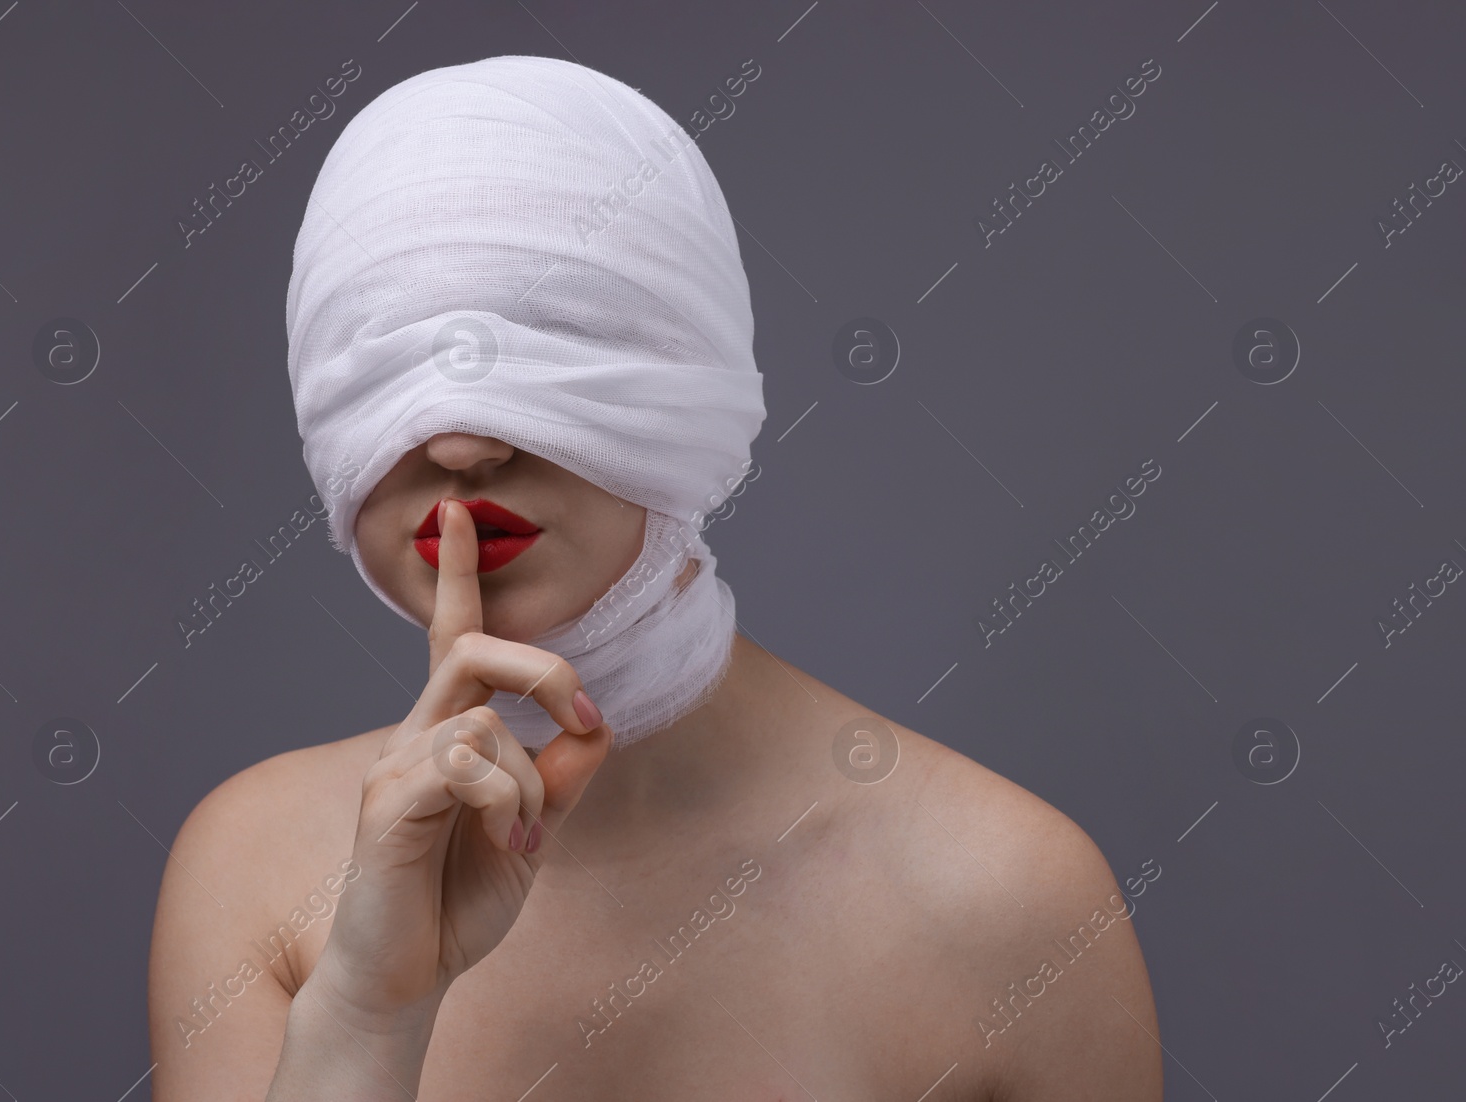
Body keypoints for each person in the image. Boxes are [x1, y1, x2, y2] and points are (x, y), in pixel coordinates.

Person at [147, 55, 1160, 1102]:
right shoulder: (253, 870)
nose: (456, 442)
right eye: (377, 350)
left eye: (553, 335)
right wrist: (364, 1016)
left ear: (695, 378)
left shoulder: (1008, 904)